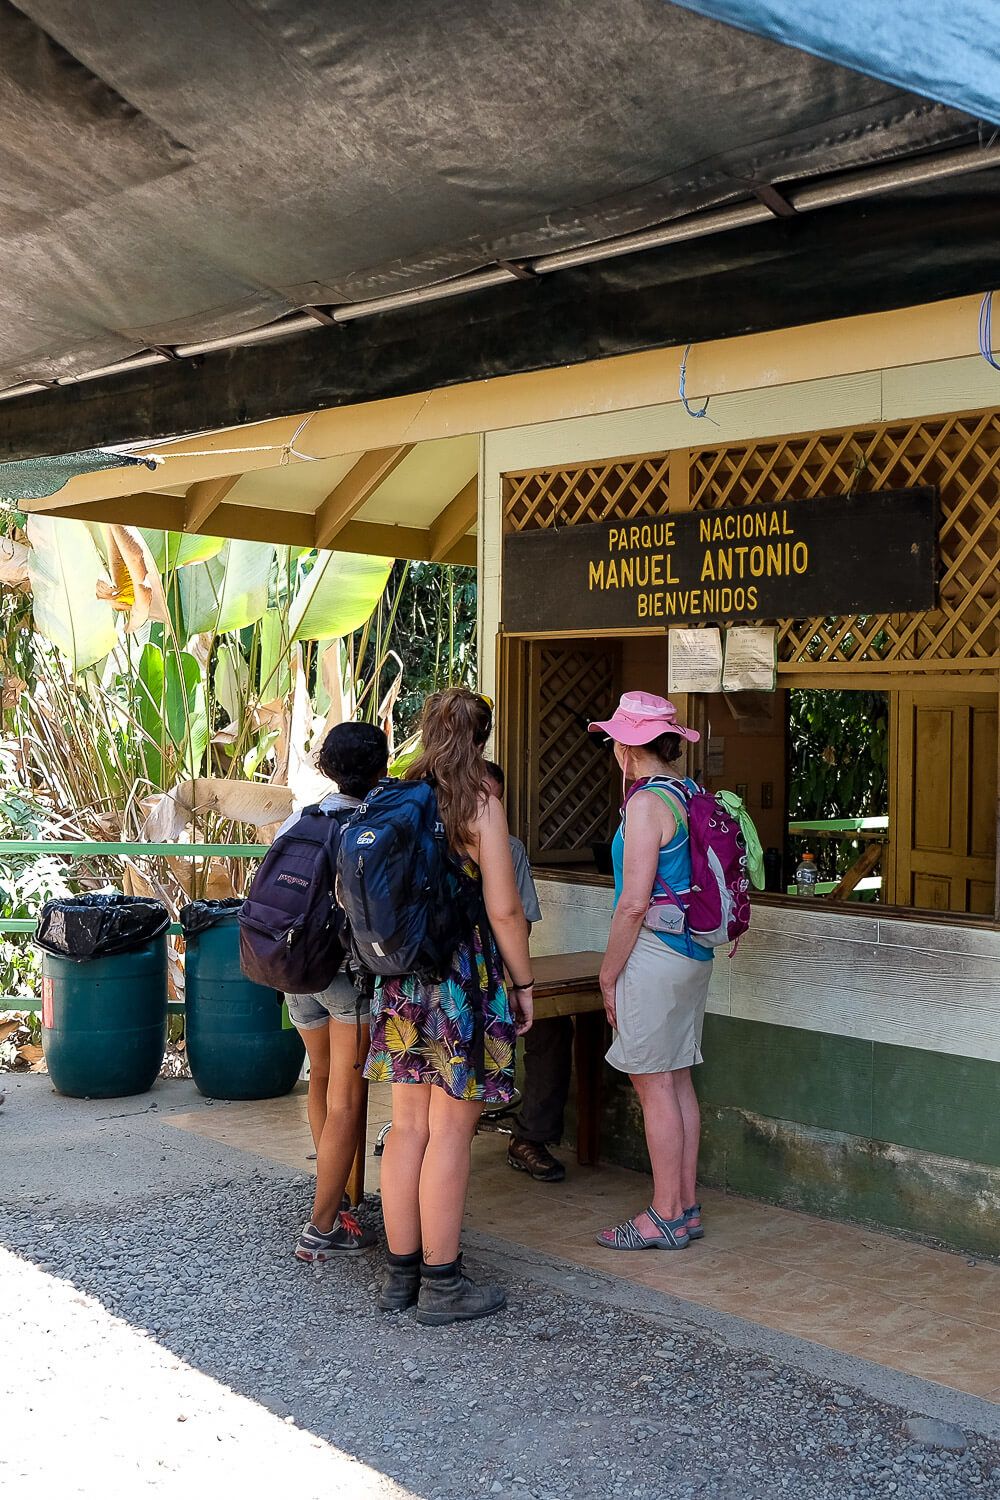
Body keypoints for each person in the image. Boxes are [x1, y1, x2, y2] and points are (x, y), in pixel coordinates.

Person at [368, 688, 534, 1324]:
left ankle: (399, 1276)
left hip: (404, 978)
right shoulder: (480, 800)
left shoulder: (401, 793)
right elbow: (503, 908)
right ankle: (442, 1282)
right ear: (483, 737)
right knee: (452, 1132)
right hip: (460, 977)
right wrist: (522, 984)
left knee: (407, 1127)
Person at [588, 691, 711, 1251]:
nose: (612, 745)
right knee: (677, 1077)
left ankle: (663, 1214)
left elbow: (632, 903)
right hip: (691, 953)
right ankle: (684, 1207)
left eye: (616, 736)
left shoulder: (644, 807)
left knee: (654, 1085)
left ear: (629, 745)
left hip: (655, 955)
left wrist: (609, 975)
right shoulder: (687, 792)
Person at [278, 721, 389, 1261]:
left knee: (319, 1082)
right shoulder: (367, 827)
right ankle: (323, 1224)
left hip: (298, 973)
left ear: (327, 766)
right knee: (348, 1100)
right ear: (381, 768)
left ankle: (336, 1197)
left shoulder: (303, 818)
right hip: (347, 979)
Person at [481, 761, 568, 1185]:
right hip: (439, 978)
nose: (486, 807)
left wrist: (517, 982)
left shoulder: (510, 849)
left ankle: (530, 1136)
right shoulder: (427, 836)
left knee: (551, 1028)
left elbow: (520, 923)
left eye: (495, 799)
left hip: (495, 969)